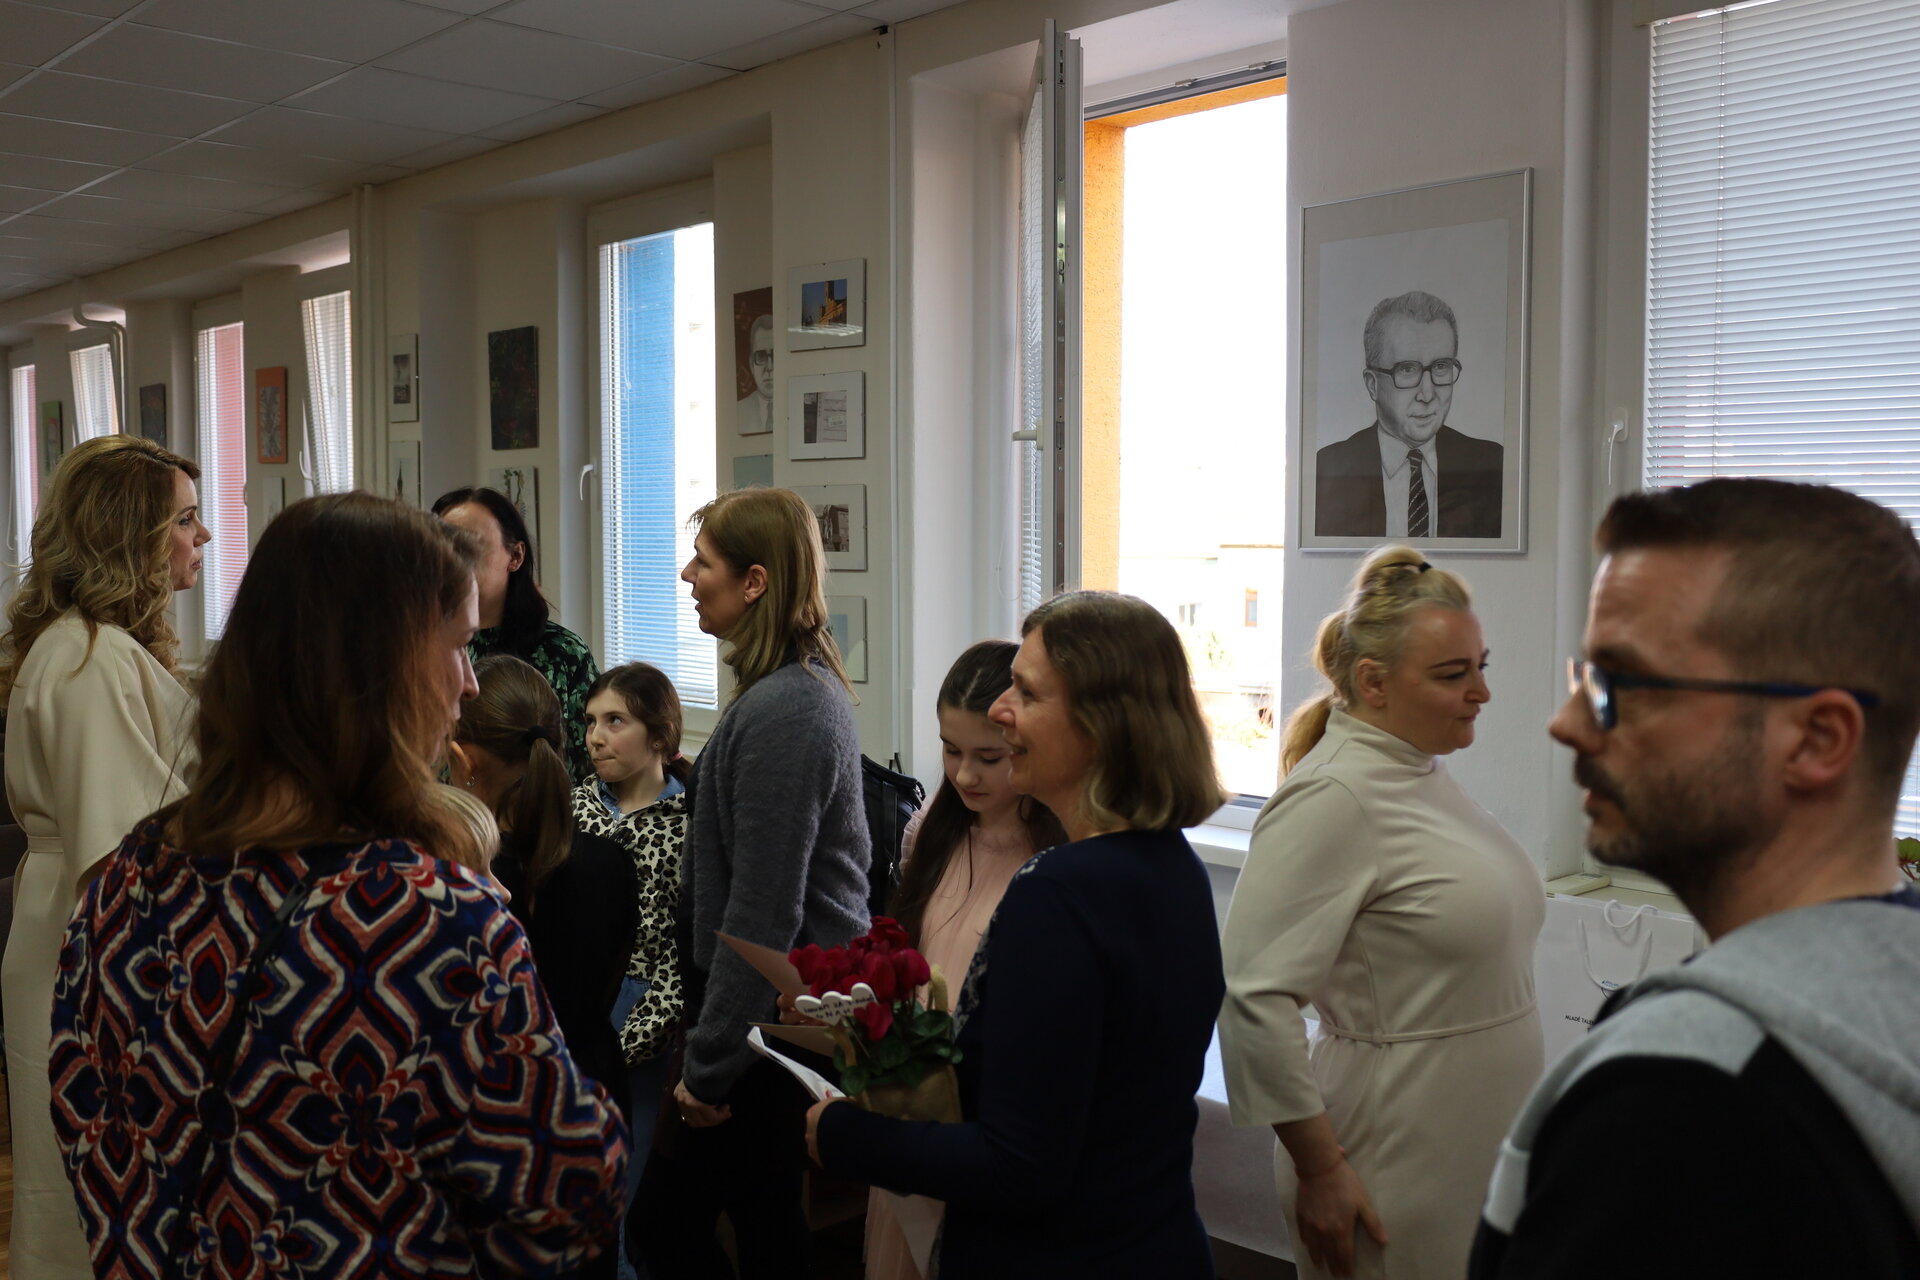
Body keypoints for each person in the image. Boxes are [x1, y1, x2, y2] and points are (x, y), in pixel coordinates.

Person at [48, 492, 629, 1277]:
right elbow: (571, 1191)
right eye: (459, 647)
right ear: (382, 670)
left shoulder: (125, 880)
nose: (468, 686)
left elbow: (81, 1115)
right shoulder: (433, 919)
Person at [1471, 479, 1920, 1279]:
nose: (1567, 724)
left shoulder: (1674, 1095)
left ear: (1818, 739)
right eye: (1586, 678)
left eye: (1626, 686)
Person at [810, 591, 1226, 1279]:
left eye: (1026, 694)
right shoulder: (1173, 863)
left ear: (1100, 724)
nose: (1002, 711)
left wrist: (846, 1135)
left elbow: (1019, 1165)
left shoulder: (1057, 892)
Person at [1218, 546, 1543, 1280]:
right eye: (1453, 674)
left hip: (1468, 1145)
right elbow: (1254, 1001)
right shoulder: (1334, 795)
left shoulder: (1420, 773)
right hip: (1392, 1152)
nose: (1482, 692)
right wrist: (1320, 1169)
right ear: (1373, 682)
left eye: (1481, 666)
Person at [634, 486, 871, 1279]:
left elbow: (762, 917)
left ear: (755, 581)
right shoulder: (780, 695)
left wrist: (708, 1068)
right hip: (762, 1017)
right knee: (765, 1228)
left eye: (703, 563)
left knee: (665, 1227)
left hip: (769, 1026)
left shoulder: (788, 711)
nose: (686, 576)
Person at [0, 434, 208, 1280]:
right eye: (186, 521)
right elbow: (117, 853)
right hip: (83, 942)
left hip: (71, 926)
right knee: (81, 1189)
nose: (202, 537)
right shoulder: (88, 658)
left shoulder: (97, 644)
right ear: (132, 535)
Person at [863, 639, 1068, 1280]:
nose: (965, 775)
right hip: (920, 1102)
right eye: (951, 751)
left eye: (989, 757)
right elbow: (909, 955)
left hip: (992, 1115)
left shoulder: (1058, 855)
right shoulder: (931, 830)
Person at [449, 653, 639, 1205]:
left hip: (503, 1122)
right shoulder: (610, 862)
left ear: (464, 761)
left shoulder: (464, 883)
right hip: (595, 1100)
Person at [572, 661, 695, 1275]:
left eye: (615, 721)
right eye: (591, 721)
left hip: (646, 1016)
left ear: (660, 735)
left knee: (623, 1199)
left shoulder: (688, 825)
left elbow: (682, 948)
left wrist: (638, 1034)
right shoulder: (576, 807)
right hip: (574, 1005)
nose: (595, 737)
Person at [434, 485, 599, 780]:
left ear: (515, 556)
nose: (455, 560)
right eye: (444, 546)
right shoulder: (420, 648)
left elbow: (585, 769)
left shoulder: (563, 653)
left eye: (470, 546)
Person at [1315, 291, 1504, 539]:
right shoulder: (1326, 470)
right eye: (1407, 370)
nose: (1427, 394)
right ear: (1372, 384)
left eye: (1441, 367)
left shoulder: (1492, 466)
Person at [736, 314, 775, 435]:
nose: (769, 367)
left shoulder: (799, 407)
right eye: (761, 356)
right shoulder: (737, 412)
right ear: (751, 364)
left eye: (775, 355)